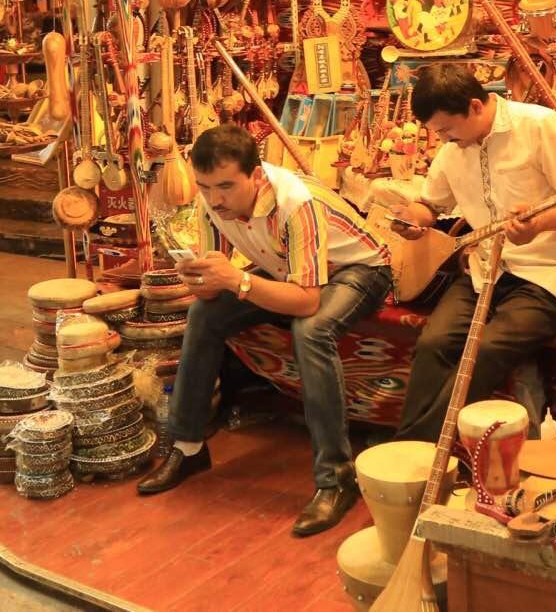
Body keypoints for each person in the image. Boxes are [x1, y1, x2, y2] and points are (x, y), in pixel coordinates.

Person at [138, 124, 393, 537]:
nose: (215, 199)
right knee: (204, 315)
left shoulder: (296, 202)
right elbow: (211, 292)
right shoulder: (211, 203)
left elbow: (306, 301)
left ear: (256, 176)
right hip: (288, 266)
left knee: (312, 330)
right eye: (205, 187)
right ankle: (188, 446)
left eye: (226, 186)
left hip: (360, 269)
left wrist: (237, 280)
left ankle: (336, 478)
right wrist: (198, 278)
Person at [390, 64, 556, 443]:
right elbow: (430, 205)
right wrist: (413, 219)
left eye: (446, 130)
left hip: (547, 278)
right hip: (484, 271)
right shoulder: (454, 148)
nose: (444, 139)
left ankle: (417, 451)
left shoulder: (540, 126)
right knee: (434, 343)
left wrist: (539, 223)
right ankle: (417, 450)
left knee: (485, 350)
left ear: (475, 106)